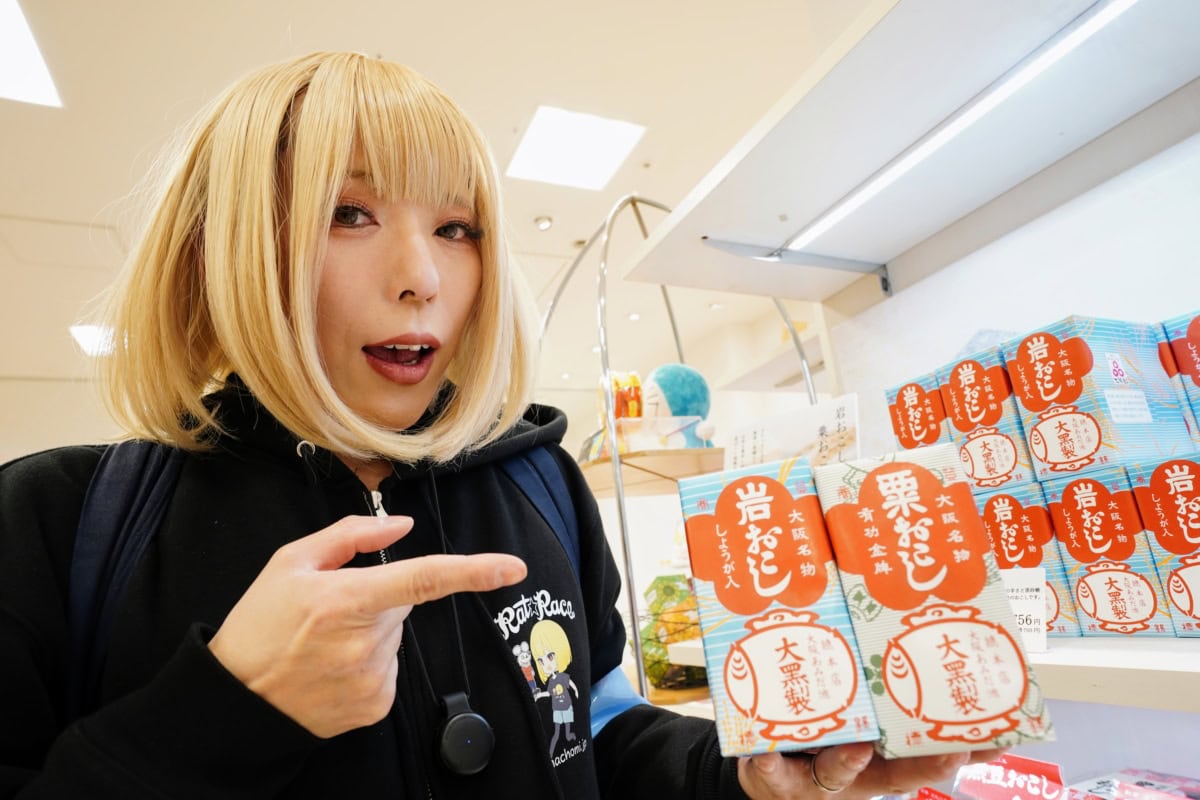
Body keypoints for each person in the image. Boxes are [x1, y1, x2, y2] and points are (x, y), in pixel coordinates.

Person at [0, 51, 1002, 798]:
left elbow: (594, 730)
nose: (421, 277)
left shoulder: (541, 482)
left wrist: (744, 774)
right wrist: (223, 712)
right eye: (349, 214)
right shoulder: (58, 521)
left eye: (456, 228)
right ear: (224, 247)